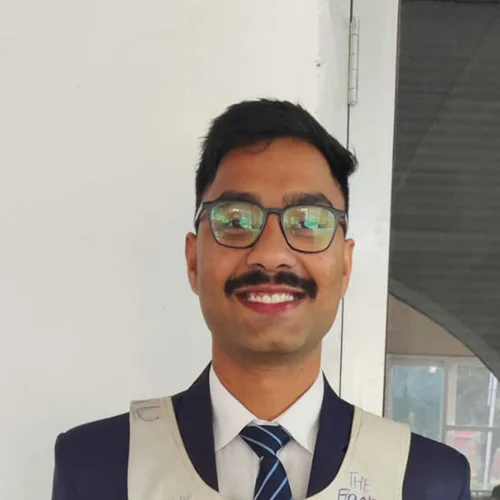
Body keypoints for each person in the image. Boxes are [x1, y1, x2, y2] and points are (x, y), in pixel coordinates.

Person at [52, 99, 471, 500]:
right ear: (194, 262)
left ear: (345, 267)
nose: (271, 254)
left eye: (309, 222)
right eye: (235, 220)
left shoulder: (425, 482)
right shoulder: (98, 468)